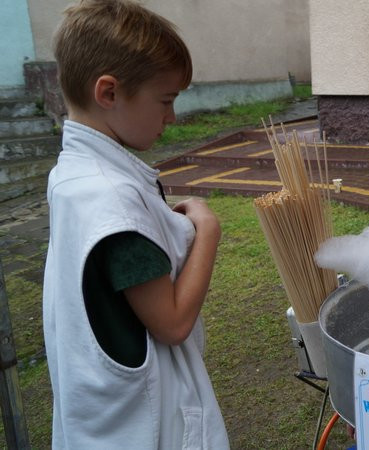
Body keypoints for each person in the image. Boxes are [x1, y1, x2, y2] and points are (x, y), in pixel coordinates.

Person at [43, 1, 229, 447]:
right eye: (165, 100)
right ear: (108, 93)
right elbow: (172, 323)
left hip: (99, 418)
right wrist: (208, 230)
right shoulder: (112, 201)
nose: (172, 117)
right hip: (144, 426)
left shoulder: (71, 175)